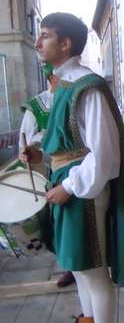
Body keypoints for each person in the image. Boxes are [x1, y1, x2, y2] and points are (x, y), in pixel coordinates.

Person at [20, 12, 124, 323]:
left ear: (66, 43)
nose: (38, 41)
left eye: (45, 35)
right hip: (69, 187)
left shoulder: (86, 86)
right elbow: (69, 147)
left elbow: (103, 154)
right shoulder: (65, 84)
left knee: (93, 274)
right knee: (79, 269)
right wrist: (40, 155)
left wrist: (69, 187)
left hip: (84, 194)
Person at [19, 65, 74, 288]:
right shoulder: (37, 106)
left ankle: (84, 263)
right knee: (57, 220)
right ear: (52, 77)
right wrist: (30, 150)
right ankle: (68, 264)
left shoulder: (74, 97)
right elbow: (25, 142)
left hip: (77, 168)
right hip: (50, 170)